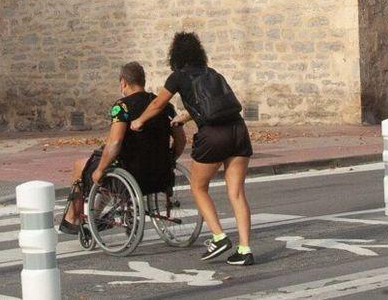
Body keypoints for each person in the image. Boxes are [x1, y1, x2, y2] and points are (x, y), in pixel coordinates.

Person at [131, 32, 255, 266]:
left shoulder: (178, 77)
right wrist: (183, 118)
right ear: (199, 52)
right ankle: (245, 249)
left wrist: (139, 121)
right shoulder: (213, 74)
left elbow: (158, 103)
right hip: (238, 130)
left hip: (213, 135)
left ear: (175, 55)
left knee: (198, 187)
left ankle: (218, 237)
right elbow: (213, 105)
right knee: (237, 192)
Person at [59, 62, 186, 234]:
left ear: (123, 82)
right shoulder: (164, 106)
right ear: (143, 81)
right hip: (160, 174)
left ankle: (71, 219)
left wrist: (101, 169)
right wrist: (170, 159)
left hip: (131, 172)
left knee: (84, 167)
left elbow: (115, 143)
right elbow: (180, 140)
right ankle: (95, 216)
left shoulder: (122, 106)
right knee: (107, 169)